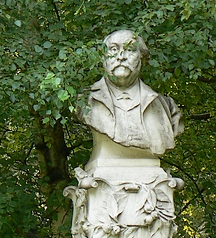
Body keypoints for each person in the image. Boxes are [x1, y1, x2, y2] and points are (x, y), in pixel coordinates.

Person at [77, 29, 183, 157]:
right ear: (103, 58)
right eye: (114, 49)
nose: (121, 57)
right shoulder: (85, 101)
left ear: (142, 58)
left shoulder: (166, 106)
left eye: (130, 49)